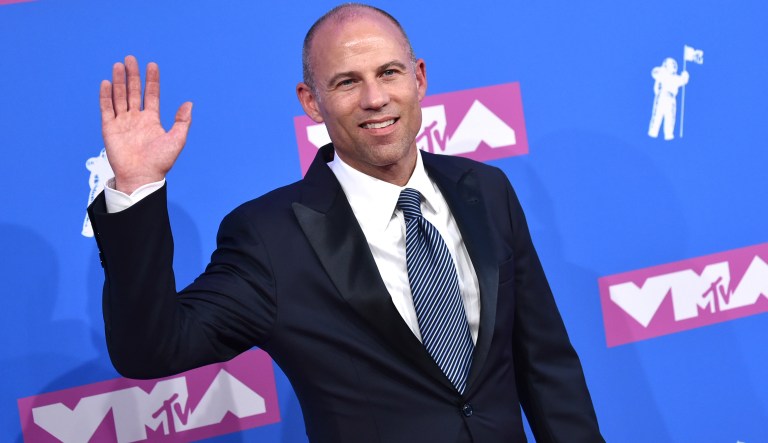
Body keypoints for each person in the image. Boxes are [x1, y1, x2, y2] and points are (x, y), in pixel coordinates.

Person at [88, 3, 604, 442]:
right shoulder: (270, 237)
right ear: (311, 102)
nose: (375, 98)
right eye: (346, 82)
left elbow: (546, 364)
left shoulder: (486, 190)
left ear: (419, 77)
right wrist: (136, 189)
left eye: (388, 73)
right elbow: (151, 351)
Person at [648, 57, 689, 141]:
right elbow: (654, 72)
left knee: (670, 118)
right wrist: (662, 70)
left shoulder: (675, 78)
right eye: (672, 63)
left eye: (675, 64)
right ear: (666, 65)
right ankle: (652, 133)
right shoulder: (662, 74)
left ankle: (669, 135)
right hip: (662, 96)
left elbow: (682, 80)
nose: (674, 65)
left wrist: (685, 76)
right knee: (657, 116)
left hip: (671, 99)